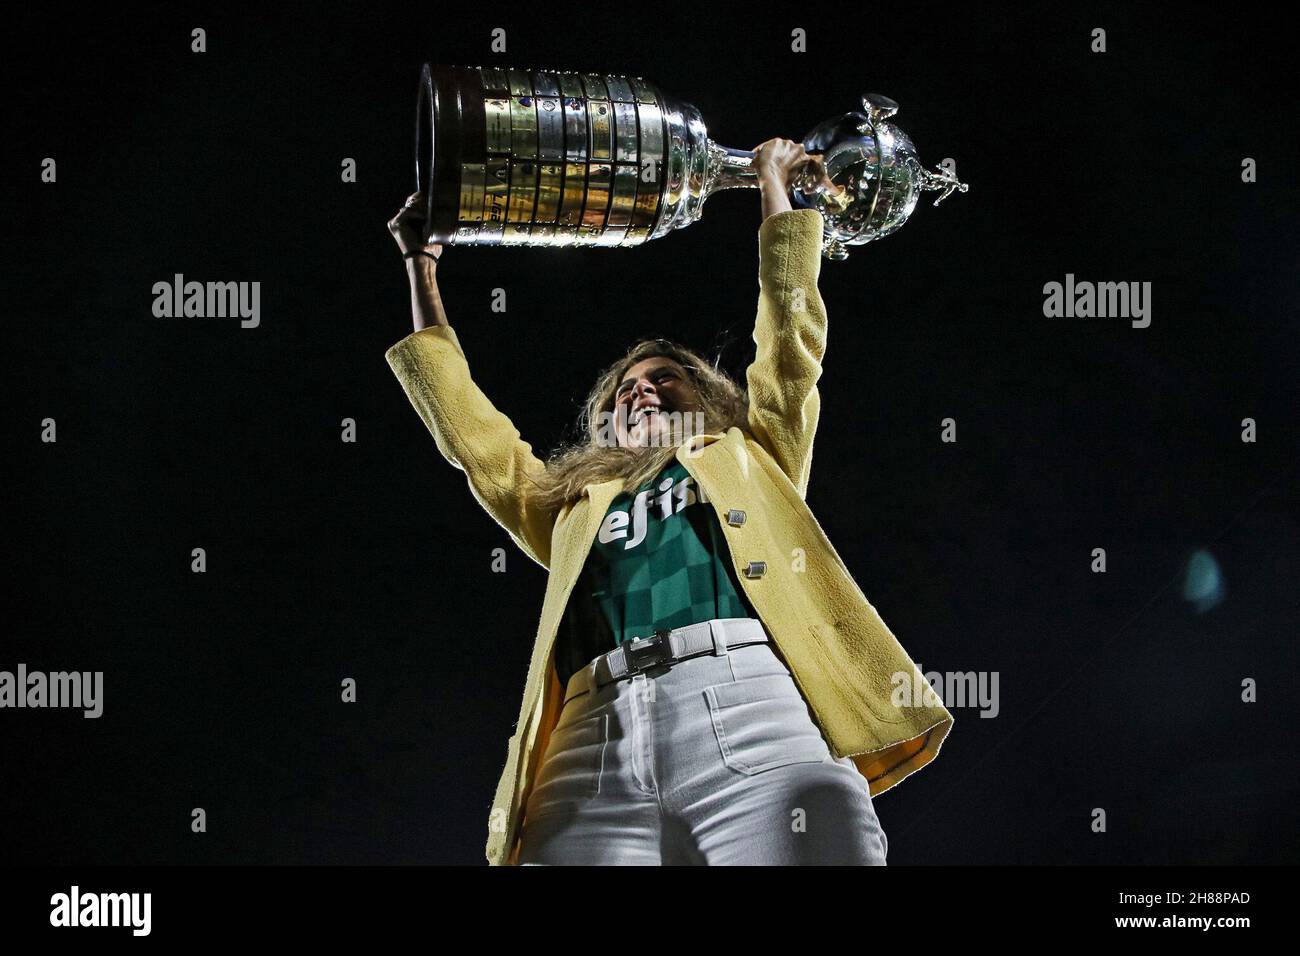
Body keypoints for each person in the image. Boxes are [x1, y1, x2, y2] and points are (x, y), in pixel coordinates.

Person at [385, 139, 954, 865]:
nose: (641, 389)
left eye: (665, 378)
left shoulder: (752, 453)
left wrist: (775, 192)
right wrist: (421, 264)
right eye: (625, 390)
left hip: (749, 706)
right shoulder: (570, 507)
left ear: (710, 397)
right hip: (588, 746)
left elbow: (789, 345)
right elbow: (474, 439)